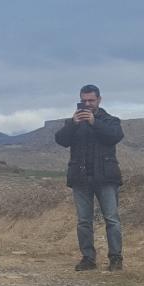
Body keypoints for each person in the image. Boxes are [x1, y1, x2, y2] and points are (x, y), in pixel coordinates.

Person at [54, 84, 125, 272]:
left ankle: (116, 259)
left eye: (91, 100)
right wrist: (73, 123)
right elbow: (61, 140)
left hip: (106, 177)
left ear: (99, 100)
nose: (87, 104)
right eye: (84, 100)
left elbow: (114, 136)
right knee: (84, 221)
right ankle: (88, 259)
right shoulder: (74, 123)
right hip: (81, 178)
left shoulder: (111, 120)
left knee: (112, 219)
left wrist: (94, 122)